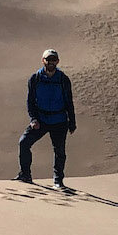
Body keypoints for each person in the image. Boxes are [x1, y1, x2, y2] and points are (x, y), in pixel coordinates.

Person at [17, 48, 77, 188]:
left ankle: (58, 180)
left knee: (59, 151)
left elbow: (69, 102)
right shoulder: (35, 78)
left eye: (53, 60)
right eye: (48, 60)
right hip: (41, 119)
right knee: (24, 142)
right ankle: (25, 174)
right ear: (43, 61)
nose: (51, 62)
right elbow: (30, 101)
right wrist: (33, 119)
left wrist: (72, 122)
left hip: (59, 120)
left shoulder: (63, 79)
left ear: (57, 61)